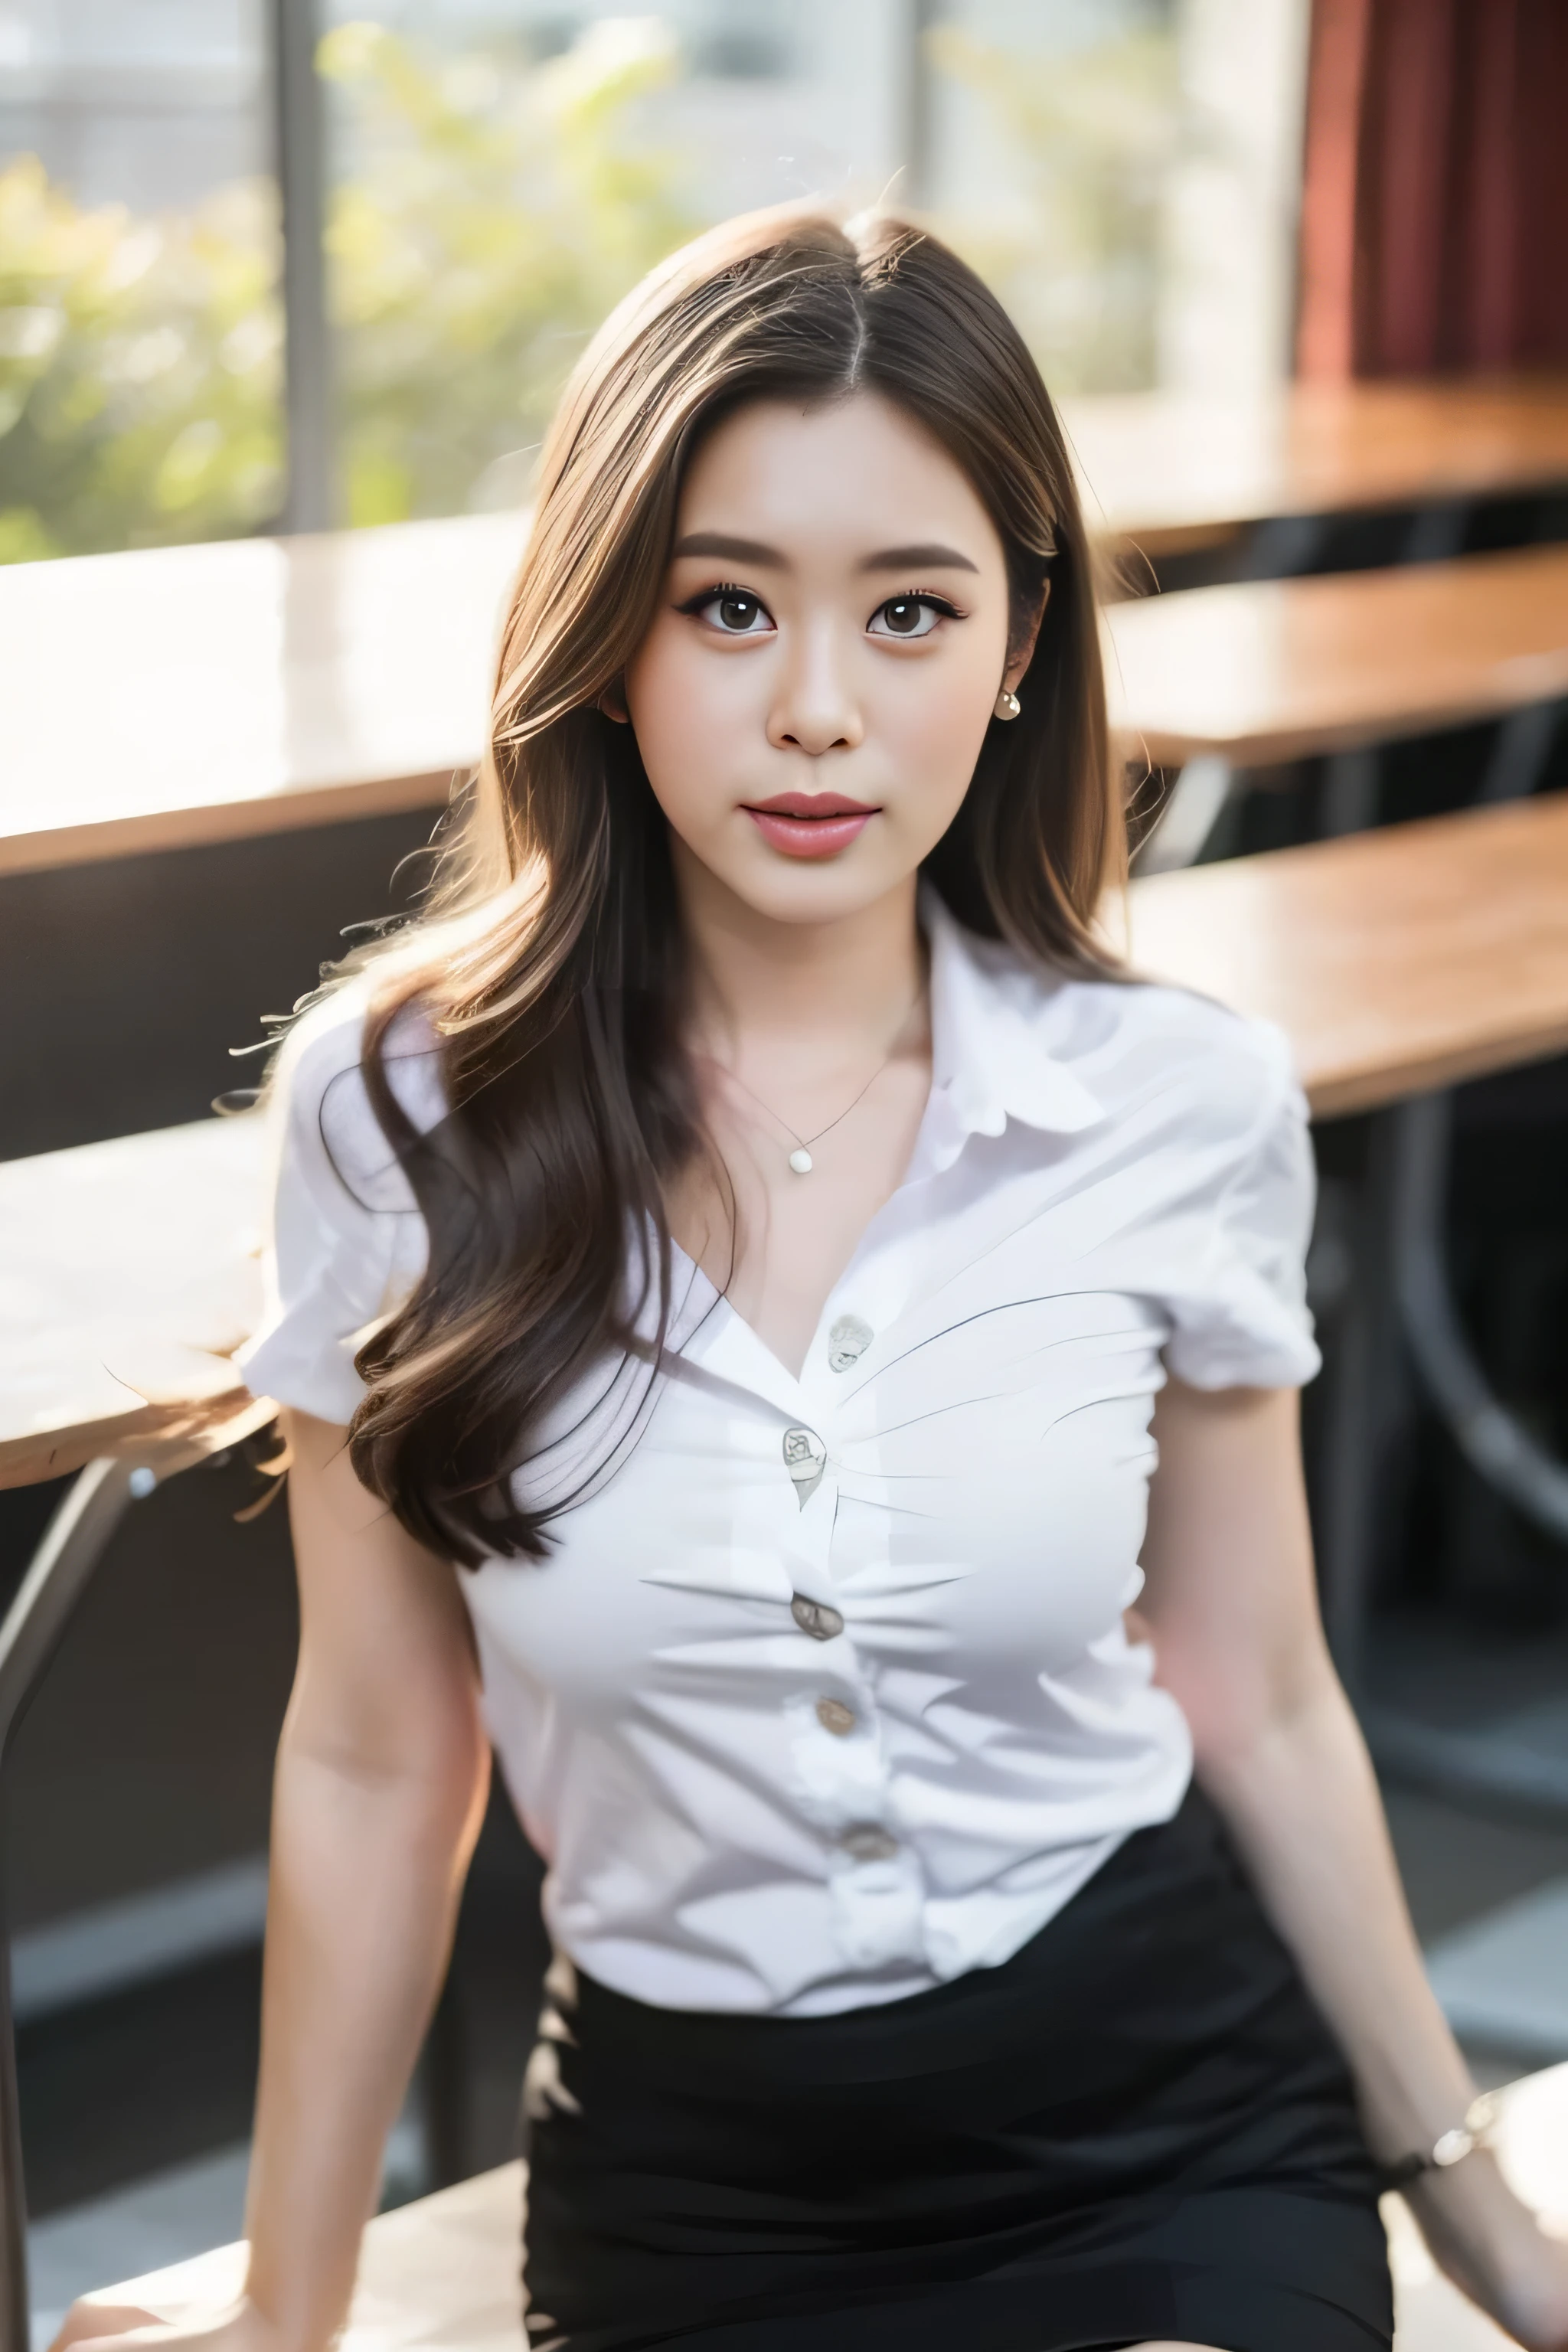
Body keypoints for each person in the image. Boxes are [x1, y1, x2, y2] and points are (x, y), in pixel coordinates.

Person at [59, 207, 1568, 2352]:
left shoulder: (1179, 1099)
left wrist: (1480, 2221)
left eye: (914, 609)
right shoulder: (388, 1114)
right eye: (730, 605)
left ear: (1023, 640)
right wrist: (283, 2319)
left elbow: (1267, 1695)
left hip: (1162, 2119)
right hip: (702, 2185)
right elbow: (383, 1761)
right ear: (610, 627)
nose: (821, 712)